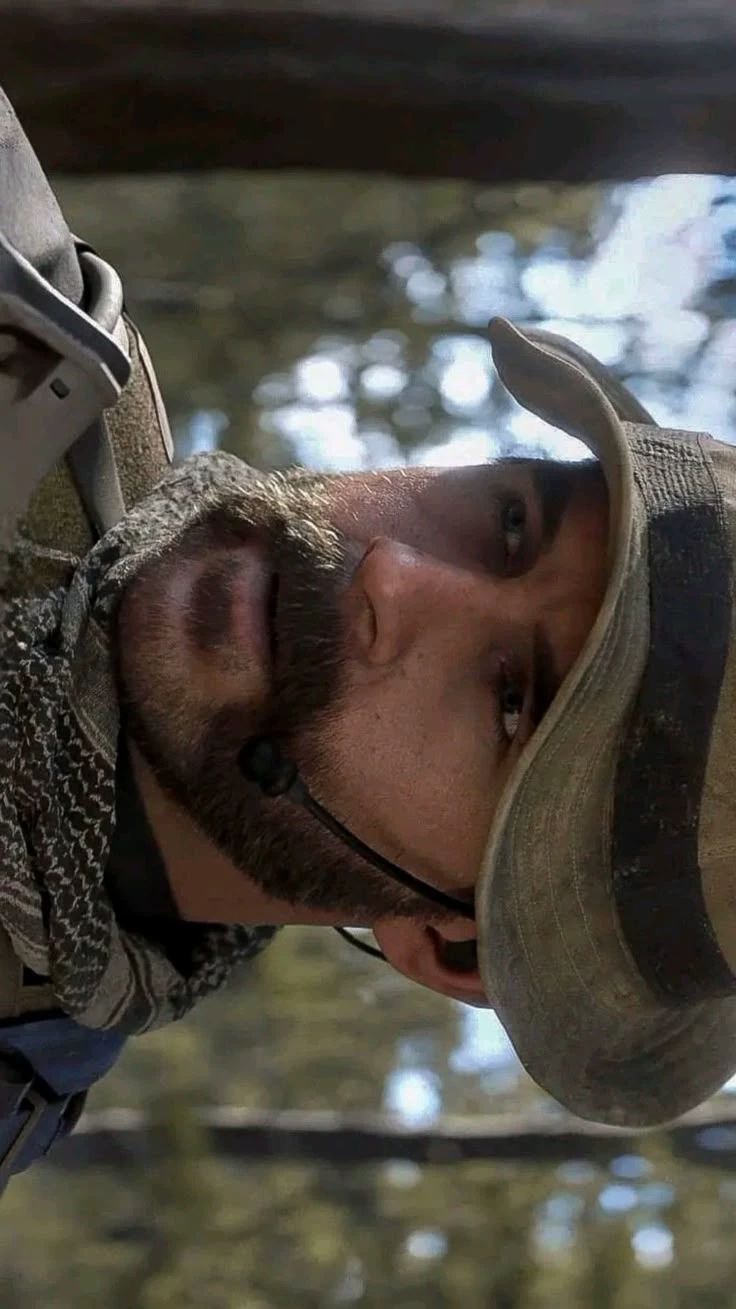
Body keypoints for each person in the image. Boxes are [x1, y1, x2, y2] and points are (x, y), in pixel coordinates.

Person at [1, 88, 735, 1188]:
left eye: (511, 701)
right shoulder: (33, 318)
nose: (393, 575)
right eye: (509, 523)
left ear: (451, 943)